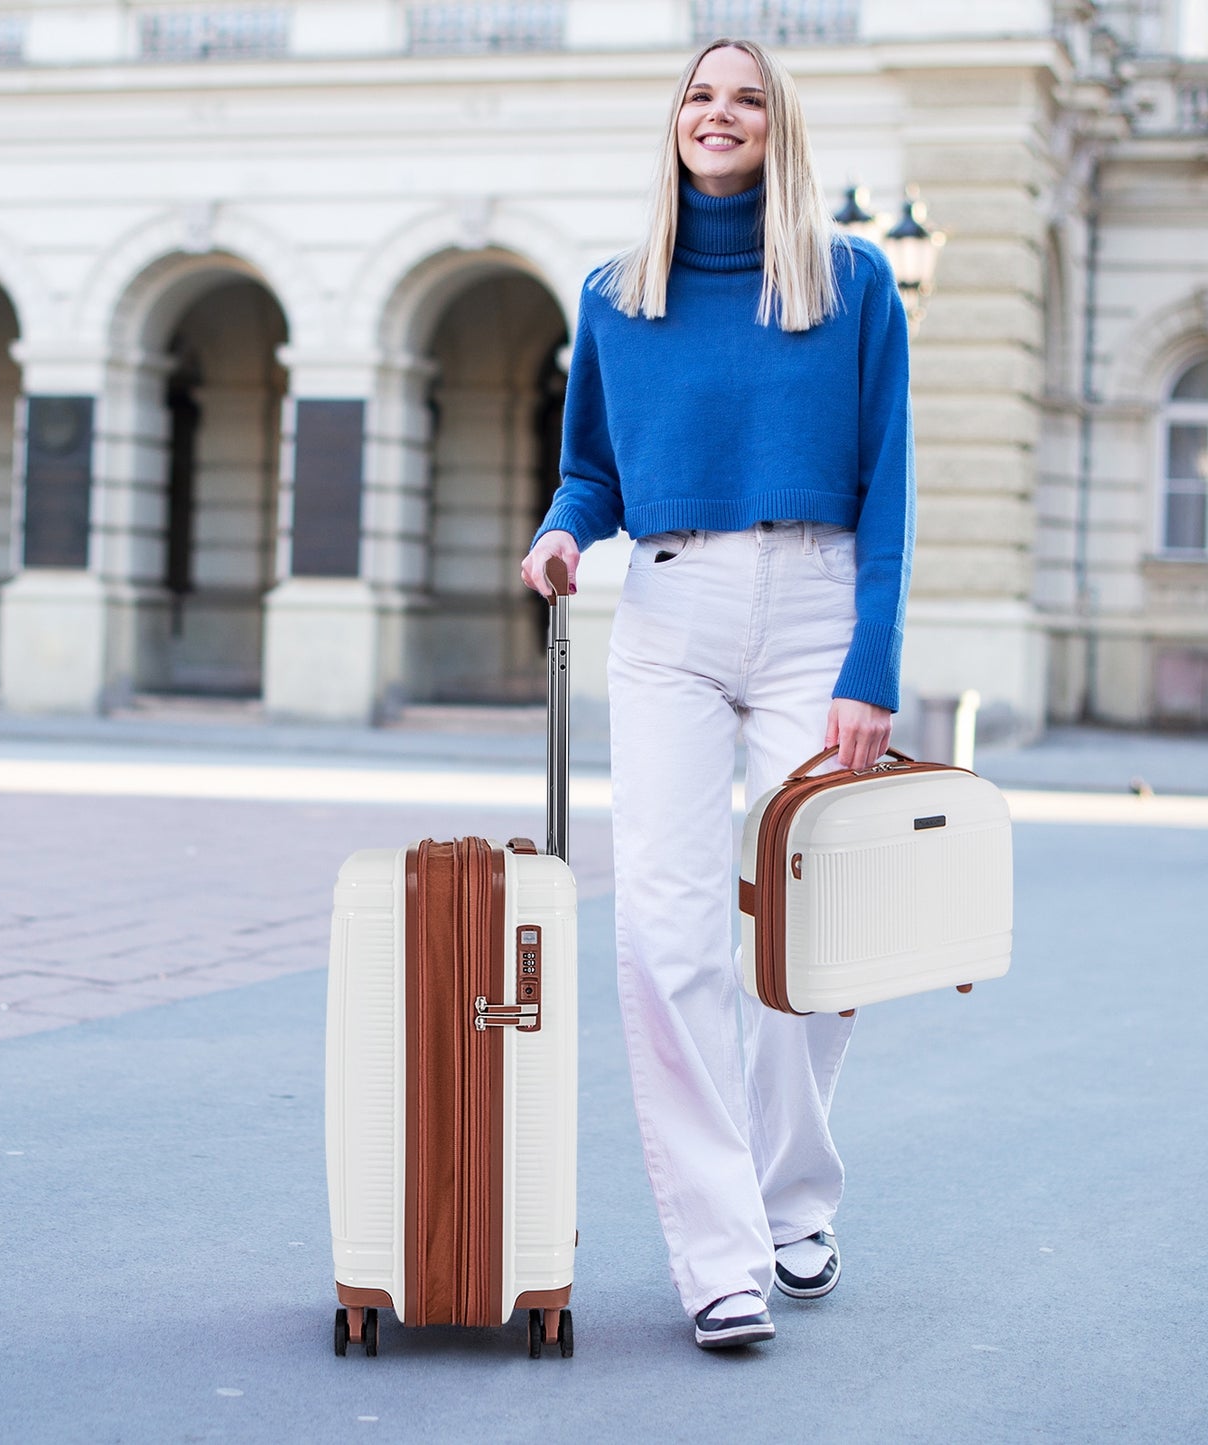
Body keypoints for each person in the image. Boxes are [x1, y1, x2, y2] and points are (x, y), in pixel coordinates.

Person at [521, 37, 914, 1351]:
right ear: (673, 123)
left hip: (815, 599)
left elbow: (889, 488)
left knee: (813, 931)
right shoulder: (613, 293)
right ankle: (718, 1253)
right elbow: (592, 471)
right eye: (699, 93)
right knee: (666, 933)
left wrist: (871, 663)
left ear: (777, 128)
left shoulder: (850, 282)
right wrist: (561, 532)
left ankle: (792, 1194)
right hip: (670, 611)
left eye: (746, 96)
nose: (719, 112)